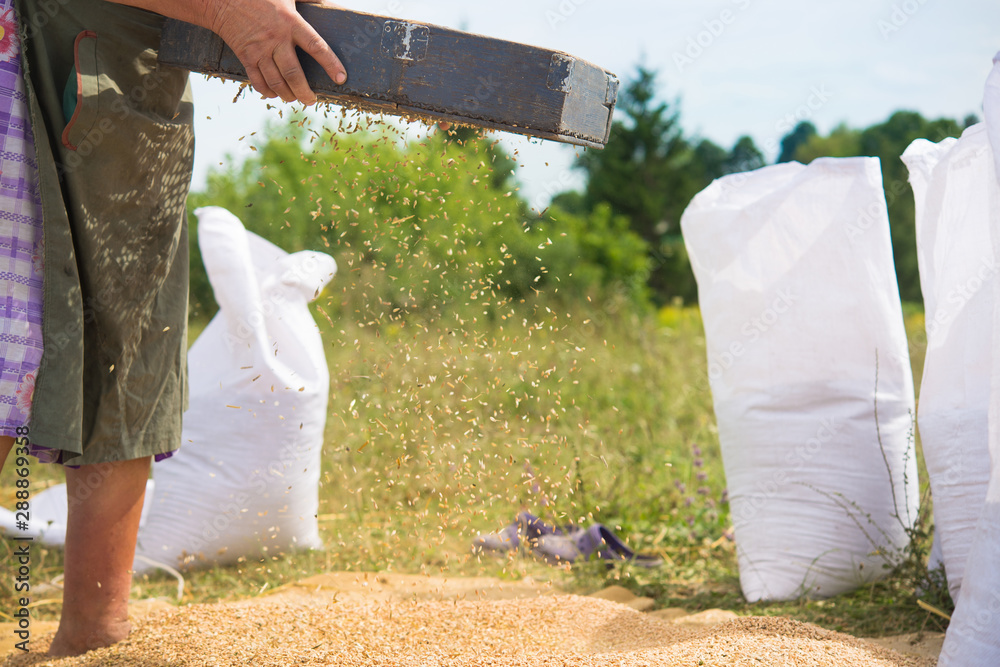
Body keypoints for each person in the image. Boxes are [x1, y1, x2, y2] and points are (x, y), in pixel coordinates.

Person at [0, 0, 346, 656]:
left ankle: (94, 638)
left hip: (127, 91)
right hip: (25, 67)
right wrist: (228, 10)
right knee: (8, 342)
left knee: (124, 354)